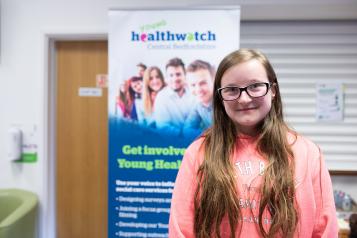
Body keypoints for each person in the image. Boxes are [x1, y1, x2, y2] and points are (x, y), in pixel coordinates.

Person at [169, 49, 338, 237]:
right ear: (220, 97)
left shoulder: (307, 153)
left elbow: (324, 229)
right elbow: (180, 229)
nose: (244, 98)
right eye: (232, 90)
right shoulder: (198, 153)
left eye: (255, 86)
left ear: (273, 90)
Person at [154, 57, 195, 136]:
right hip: (172, 144)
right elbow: (163, 127)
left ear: (185, 75)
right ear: (166, 77)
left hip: (196, 141)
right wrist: (184, 134)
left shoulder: (194, 92)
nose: (175, 78)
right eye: (171, 75)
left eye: (178, 74)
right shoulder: (161, 97)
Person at [183, 60, 215, 140]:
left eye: (203, 83)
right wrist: (208, 134)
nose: (198, 89)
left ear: (214, 82)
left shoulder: (225, 103)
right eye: (193, 85)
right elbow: (186, 130)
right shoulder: (198, 106)